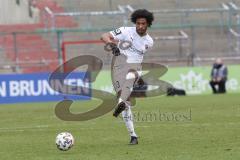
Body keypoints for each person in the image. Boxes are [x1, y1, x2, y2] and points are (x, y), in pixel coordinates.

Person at [101, 9, 154, 145]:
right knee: (124, 102)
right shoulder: (125, 31)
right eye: (138, 23)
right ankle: (133, 136)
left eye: (143, 24)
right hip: (118, 66)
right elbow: (104, 36)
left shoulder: (149, 41)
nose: (140, 26)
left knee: (131, 75)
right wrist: (112, 44)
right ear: (135, 23)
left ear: (148, 24)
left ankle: (121, 102)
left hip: (135, 67)